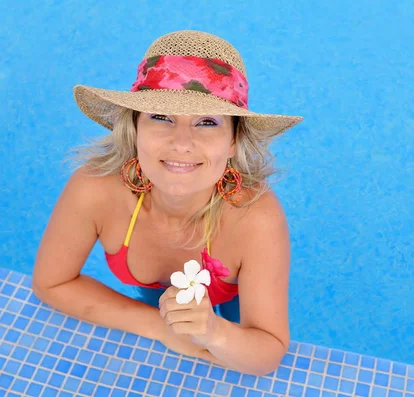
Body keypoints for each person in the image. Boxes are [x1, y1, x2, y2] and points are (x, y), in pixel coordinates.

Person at [32, 30, 303, 376]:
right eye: (161, 117)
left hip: (230, 296)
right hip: (151, 299)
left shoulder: (254, 218)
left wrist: (214, 332)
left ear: (234, 141)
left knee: (235, 334)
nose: (182, 143)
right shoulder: (95, 188)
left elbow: (265, 353)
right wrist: (159, 327)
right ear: (134, 128)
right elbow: (50, 282)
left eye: (207, 122)